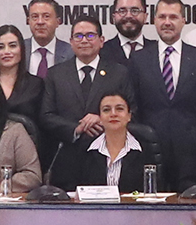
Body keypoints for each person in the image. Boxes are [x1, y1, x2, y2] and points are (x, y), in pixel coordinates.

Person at [130, 0, 196, 158]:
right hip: (148, 146)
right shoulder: (138, 59)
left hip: (191, 148)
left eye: (173, 17)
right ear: (154, 20)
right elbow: (134, 107)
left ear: (183, 21)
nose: (167, 22)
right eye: (162, 17)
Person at [40, 17, 134, 163]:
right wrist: (77, 128)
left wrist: (103, 119)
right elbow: (47, 116)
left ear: (101, 41)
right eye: (78, 36)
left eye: (90, 35)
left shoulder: (119, 73)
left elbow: (132, 111)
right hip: (67, 156)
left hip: (108, 155)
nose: (84, 40)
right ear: (71, 42)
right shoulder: (56, 74)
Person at [49, 90, 148, 191]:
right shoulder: (83, 151)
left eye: (119, 109)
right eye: (106, 110)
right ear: (100, 117)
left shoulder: (146, 151)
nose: (113, 114)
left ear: (129, 116)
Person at [0, 24, 47, 142]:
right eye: (0, 47)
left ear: (22, 49)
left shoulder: (36, 84)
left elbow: (43, 125)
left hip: (25, 147)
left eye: (12, 46)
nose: (6, 52)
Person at [97, 0, 150, 73]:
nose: (128, 16)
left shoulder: (158, 51)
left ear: (145, 17)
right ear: (114, 17)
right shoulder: (101, 52)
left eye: (135, 11)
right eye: (122, 11)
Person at [26, 0, 72, 75]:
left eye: (46, 16)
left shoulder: (70, 53)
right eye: (35, 17)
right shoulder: (19, 50)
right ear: (28, 21)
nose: (40, 22)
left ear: (58, 22)